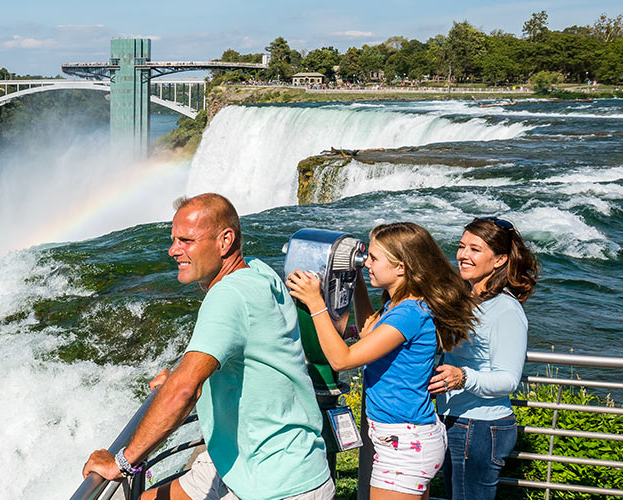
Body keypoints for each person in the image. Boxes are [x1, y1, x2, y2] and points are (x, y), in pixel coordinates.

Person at [82, 193, 334, 500]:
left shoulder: (229, 296)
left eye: (186, 240)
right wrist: (179, 376)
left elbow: (184, 391)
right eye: (173, 239)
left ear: (225, 240)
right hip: (244, 460)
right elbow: (239, 353)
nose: (173, 250)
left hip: (274, 483)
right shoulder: (258, 270)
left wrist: (121, 463)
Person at [285, 222, 477, 500]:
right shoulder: (400, 304)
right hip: (407, 439)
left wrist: (316, 303)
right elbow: (367, 332)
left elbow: (342, 359)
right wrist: (358, 280)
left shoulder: (409, 313)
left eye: (373, 258)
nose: (366, 262)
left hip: (404, 445)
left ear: (401, 267)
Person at [428, 216, 539, 500]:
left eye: (475, 249)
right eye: (462, 246)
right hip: (457, 420)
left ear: (500, 259)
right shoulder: (468, 299)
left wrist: (463, 377)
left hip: (480, 428)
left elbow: (508, 380)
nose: (463, 255)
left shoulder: (506, 309)